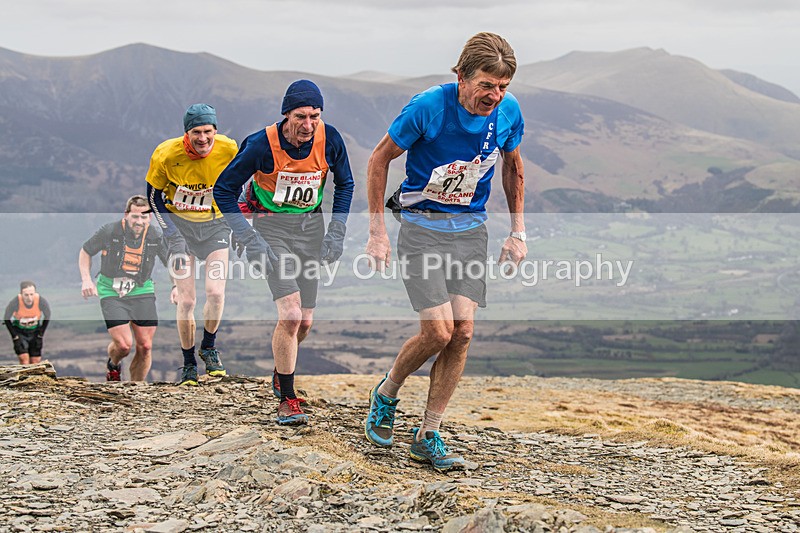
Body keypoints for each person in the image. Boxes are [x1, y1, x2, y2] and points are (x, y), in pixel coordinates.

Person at [363, 32, 527, 471]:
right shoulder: (428, 107)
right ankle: (387, 392)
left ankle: (428, 433)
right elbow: (380, 159)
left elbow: (513, 167)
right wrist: (377, 230)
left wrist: (518, 231)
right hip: (422, 229)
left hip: (471, 231)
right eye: (487, 85)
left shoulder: (508, 112)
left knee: (464, 331)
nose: (495, 95)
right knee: (437, 332)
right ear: (460, 76)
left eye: (503, 86)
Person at [214, 79, 354, 425]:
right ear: (286, 115)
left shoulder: (329, 138)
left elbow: (346, 183)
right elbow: (223, 191)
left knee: (305, 321)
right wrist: (248, 238)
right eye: (301, 117)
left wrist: (337, 230)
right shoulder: (261, 145)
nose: (308, 125)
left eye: (315, 117)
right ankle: (288, 400)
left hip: (311, 228)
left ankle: (281, 372)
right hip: (272, 229)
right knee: (290, 315)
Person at [146, 104, 238, 386]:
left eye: (208, 132)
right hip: (180, 228)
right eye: (196, 132)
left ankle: (208, 347)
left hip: (215, 225)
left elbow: (239, 182)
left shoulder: (228, 149)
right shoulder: (166, 154)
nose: (202, 138)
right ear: (186, 133)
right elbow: (153, 198)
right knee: (186, 300)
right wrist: (171, 232)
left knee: (216, 292)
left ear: (215, 131)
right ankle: (188, 363)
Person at [79, 195, 170, 381]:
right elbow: (86, 251)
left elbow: (171, 263)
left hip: (141, 289)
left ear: (150, 218)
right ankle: (113, 365)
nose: (139, 221)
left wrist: (177, 286)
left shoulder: (155, 236)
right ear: (126, 215)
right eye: (135, 217)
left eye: (144, 217)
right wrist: (86, 280)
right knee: (123, 345)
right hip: (111, 289)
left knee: (145, 346)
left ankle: (136, 388)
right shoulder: (110, 231)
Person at [4, 281, 51, 365]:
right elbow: (6, 318)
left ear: (35, 293)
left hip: (35, 331)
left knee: (35, 361)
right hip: (20, 331)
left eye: (31, 294)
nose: (29, 298)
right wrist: (14, 336)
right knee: (24, 359)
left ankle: (35, 378)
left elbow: (47, 315)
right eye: (26, 295)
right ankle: (25, 377)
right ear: (21, 294)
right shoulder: (15, 302)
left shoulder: (41, 301)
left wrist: (41, 333)